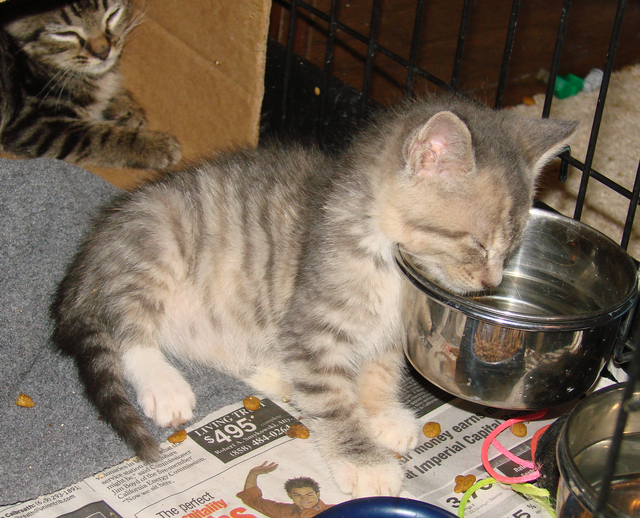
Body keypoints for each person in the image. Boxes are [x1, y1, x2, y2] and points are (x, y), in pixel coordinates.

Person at [236, 462, 334, 518]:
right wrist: (253, 474)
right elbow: (252, 500)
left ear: (317, 495)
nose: (304, 499)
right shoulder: (285, 511)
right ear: (290, 496)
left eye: (309, 495)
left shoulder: (335, 510)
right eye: (297, 495)